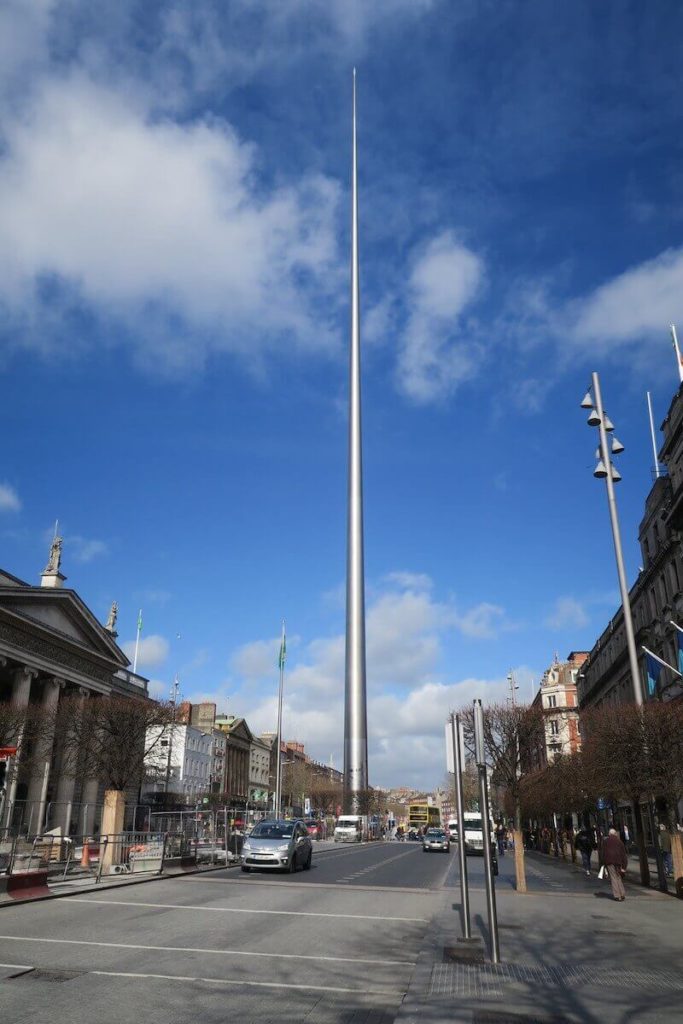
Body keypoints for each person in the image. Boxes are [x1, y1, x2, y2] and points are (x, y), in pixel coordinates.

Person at [601, 827, 628, 901]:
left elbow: (603, 853)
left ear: (609, 834)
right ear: (615, 834)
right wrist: (624, 867)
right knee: (618, 877)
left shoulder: (606, 841)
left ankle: (617, 895)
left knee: (613, 878)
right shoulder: (620, 842)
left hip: (609, 861)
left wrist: (604, 863)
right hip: (618, 862)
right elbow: (624, 855)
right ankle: (622, 894)